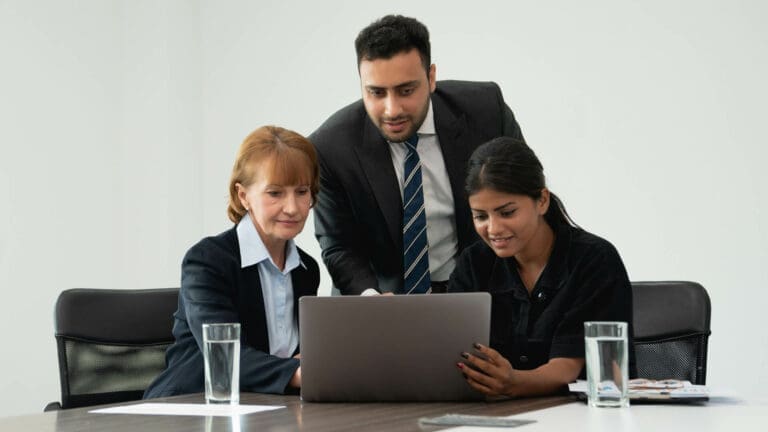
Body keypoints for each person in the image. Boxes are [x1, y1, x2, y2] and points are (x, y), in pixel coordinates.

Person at [310, 14, 525, 295]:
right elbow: (339, 245)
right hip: (382, 300)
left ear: (431, 77)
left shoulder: (485, 111)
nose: (392, 109)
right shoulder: (330, 147)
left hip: (480, 290)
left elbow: (526, 196)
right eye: (376, 92)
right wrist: (369, 298)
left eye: (406, 90)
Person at [449, 137, 635, 398]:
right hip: (495, 415)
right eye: (481, 216)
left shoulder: (594, 259)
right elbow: (451, 351)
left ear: (542, 201)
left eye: (507, 212)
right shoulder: (473, 263)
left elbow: (568, 368)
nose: (493, 229)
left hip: (579, 416)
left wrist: (512, 382)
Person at [144, 126, 320, 398]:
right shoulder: (206, 262)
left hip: (268, 409)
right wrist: (299, 372)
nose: (293, 207)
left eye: (301, 191)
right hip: (190, 407)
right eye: (275, 193)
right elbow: (224, 355)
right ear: (243, 196)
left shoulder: (306, 270)